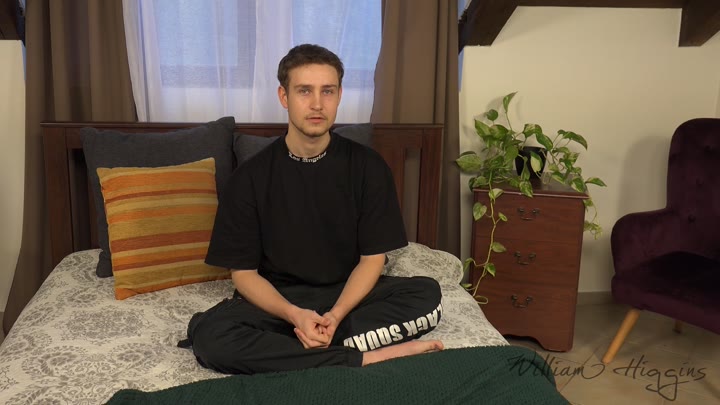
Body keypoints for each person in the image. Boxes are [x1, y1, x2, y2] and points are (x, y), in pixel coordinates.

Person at [180, 44, 444, 375]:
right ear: (284, 96)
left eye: (327, 91)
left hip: (349, 296)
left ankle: (304, 348)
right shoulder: (249, 177)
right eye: (304, 91)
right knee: (211, 336)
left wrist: (335, 315)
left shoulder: (369, 167)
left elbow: (372, 260)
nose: (317, 103)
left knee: (427, 295)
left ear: (339, 95)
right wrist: (295, 315)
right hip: (278, 303)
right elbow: (244, 274)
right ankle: (359, 355)